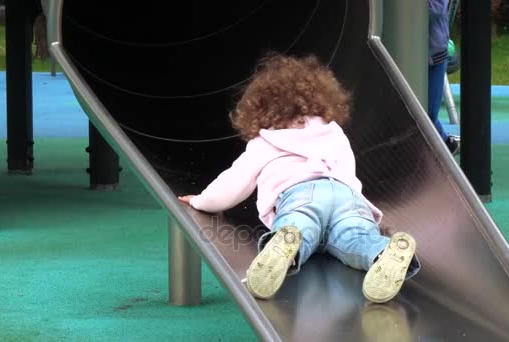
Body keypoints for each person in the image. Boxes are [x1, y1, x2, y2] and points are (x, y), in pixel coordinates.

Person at [178, 53, 419, 303]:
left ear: (258, 107)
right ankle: (381, 251)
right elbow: (349, 172)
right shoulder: (333, 132)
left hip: (300, 196)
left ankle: (284, 245)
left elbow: (234, 182)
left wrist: (201, 201)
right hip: (346, 197)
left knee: (299, 228)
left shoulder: (266, 141)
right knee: (354, 238)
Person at [429, 0, 460, 155]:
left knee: (428, 112)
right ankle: (447, 144)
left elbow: (436, 9)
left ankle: (447, 145)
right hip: (416, 51)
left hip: (435, 53)